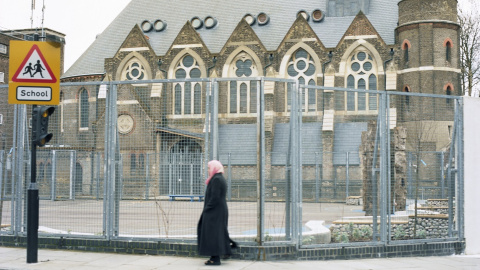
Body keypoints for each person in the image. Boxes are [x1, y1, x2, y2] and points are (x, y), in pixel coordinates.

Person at [197, 160, 237, 265]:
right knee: (216, 233)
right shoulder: (217, 178)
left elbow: (215, 197)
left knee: (212, 234)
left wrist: (207, 209)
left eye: (209, 168)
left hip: (215, 211)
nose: (208, 170)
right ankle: (224, 252)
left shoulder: (217, 180)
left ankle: (216, 258)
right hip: (217, 210)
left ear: (214, 168)